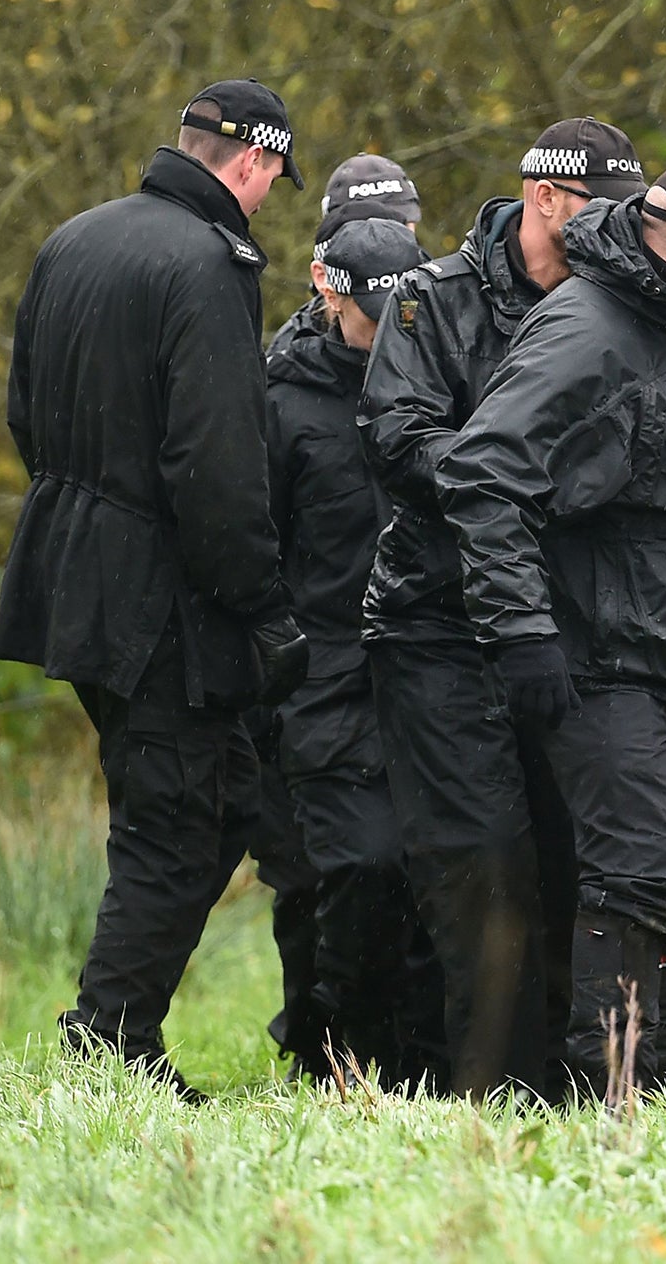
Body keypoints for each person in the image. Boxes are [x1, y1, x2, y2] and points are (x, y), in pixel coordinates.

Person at [438, 156, 666, 1100]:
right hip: (605, 660)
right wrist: (521, 631)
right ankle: (611, 1091)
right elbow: (482, 473)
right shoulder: (587, 327)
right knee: (634, 875)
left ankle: (665, 1090)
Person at [0, 79, 311, 1100]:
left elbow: (23, 415)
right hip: (159, 591)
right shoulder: (209, 266)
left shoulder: (74, 238)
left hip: (64, 566)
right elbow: (216, 467)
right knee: (181, 813)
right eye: (271, 180)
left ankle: (115, 1031)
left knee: (198, 803)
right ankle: (108, 1043)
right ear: (254, 164)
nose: (266, 199)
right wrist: (262, 605)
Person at [357, 118, 646, 1099]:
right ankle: (500, 1092)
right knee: (482, 869)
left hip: (571, 628)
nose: (620, 235)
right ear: (544, 198)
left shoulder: (620, 307)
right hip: (438, 627)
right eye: (601, 213)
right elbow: (397, 440)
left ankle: (583, 1085)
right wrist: (509, 480)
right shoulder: (428, 305)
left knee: (579, 864)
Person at [250, 150, 425, 1080]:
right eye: (372, 313)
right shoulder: (282, 399)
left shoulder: (448, 371)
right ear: (329, 285)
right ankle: (329, 1053)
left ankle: (403, 1057)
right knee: (338, 870)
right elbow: (254, 549)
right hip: (320, 676)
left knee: (415, 868)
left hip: (427, 668)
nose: (388, 331)